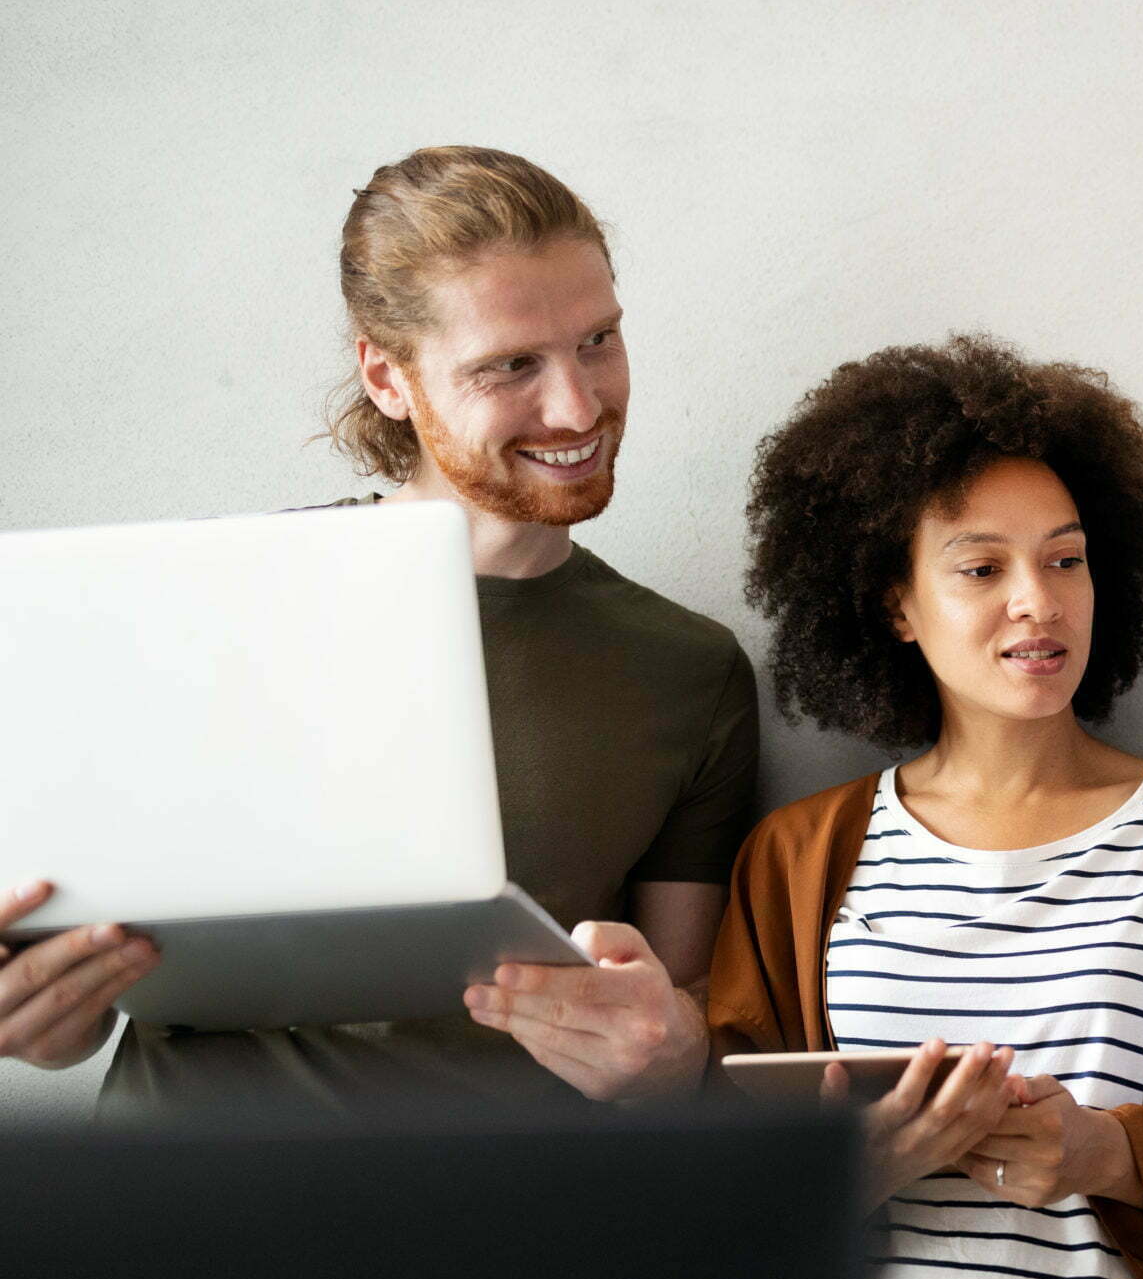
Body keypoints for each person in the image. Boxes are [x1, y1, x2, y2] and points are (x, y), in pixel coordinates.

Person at [0, 146, 755, 1111]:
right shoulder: (195, 602)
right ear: (387, 377)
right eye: (510, 364)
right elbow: (85, 1008)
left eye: (598, 340)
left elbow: (679, 1014)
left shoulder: (690, 672)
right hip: (180, 1213)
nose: (577, 405)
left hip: (506, 1227)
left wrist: (669, 1052)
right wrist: (47, 1018)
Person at [707, 335, 1143, 1279]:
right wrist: (852, 1172)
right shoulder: (796, 862)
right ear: (895, 603)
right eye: (981, 569)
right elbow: (707, 1206)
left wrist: (1109, 1156)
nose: (1038, 602)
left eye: (1066, 559)